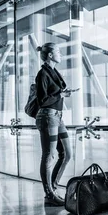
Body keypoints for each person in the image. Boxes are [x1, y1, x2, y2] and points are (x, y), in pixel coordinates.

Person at [35, 42, 74, 206]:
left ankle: (53, 188)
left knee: (66, 153)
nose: (61, 54)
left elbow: (56, 93)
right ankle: (49, 194)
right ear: (50, 55)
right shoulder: (42, 74)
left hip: (57, 117)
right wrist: (61, 95)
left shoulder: (53, 72)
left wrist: (62, 93)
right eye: (58, 51)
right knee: (49, 155)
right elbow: (42, 100)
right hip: (48, 116)